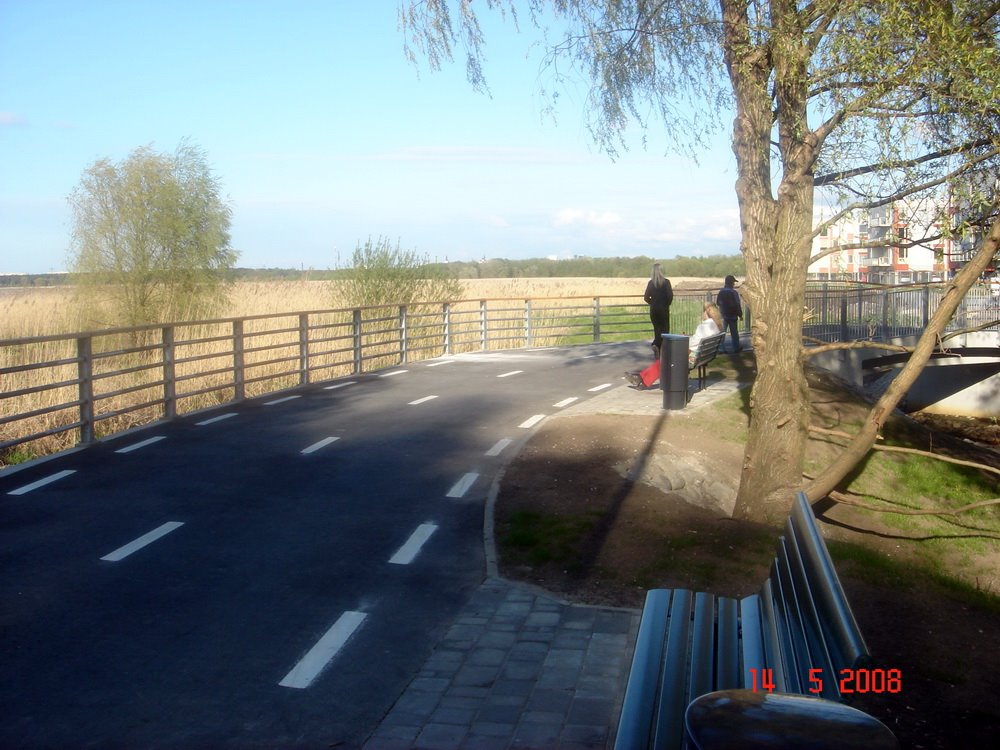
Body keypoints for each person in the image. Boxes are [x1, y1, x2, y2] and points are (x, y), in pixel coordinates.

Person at [626, 303, 723, 389]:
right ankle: (641, 378)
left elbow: (694, 342)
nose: (702, 314)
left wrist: (684, 339)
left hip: (693, 356)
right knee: (666, 359)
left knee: (667, 358)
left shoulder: (704, 326)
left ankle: (642, 379)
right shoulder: (715, 326)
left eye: (703, 311)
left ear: (707, 312)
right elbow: (698, 341)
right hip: (702, 355)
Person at [643, 263, 673, 358]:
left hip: (654, 310)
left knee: (657, 330)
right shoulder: (666, 282)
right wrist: (665, 304)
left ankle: (656, 345)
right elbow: (670, 297)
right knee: (665, 331)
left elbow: (646, 297)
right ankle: (662, 351)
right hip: (663, 309)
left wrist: (653, 303)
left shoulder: (651, 283)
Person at [716, 275, 743, 353]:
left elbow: (718, 303)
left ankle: (721, 349)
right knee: (734, 333)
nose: (734, 284)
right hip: (733, 316)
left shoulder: (721, 292)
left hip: (723, 315)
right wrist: (740, 315)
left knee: (722, 333)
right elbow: (737, 305)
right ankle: (736, 348)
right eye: (733, 282)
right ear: (731, 283)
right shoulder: (734, 292)